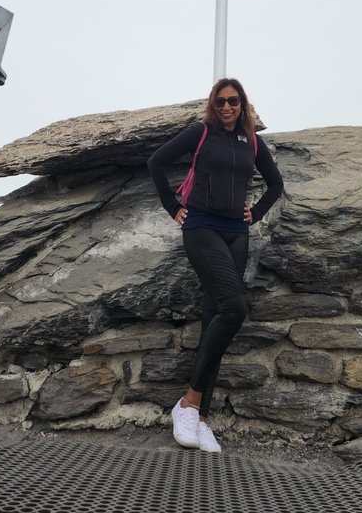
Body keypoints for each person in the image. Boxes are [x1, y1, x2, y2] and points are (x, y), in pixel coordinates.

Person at [147, 78, 285, 454]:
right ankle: (188, 403)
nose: (227, 107)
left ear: (242, 104)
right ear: (213, 104)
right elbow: (156, 162)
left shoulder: (252, 141)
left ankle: (201, 419)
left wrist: (256, 213)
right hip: (201, 227)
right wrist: (172, 207)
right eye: (221, 101)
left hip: (236, 233)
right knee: (235, 308)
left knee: (216, 319)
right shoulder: (201, 133)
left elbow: (275, 184)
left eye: (233, 101)